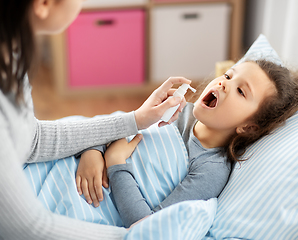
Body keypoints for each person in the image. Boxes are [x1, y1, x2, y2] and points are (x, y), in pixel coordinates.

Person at [0, 0, 190, 239]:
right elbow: (25, 228)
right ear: (44, 4)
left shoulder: (12, 53)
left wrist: (136, 119)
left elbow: (32, 139)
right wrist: (131, 235)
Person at [76, 59, 298, 228]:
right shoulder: (177, 112)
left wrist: (116, 163)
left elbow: (147, 227)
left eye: (240, 91)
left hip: (88, 203)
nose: (223, 84)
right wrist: (92, 149)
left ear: (248, 127)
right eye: (228, 75)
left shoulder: (211, 168)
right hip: (78, 168)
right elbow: (117, 125)